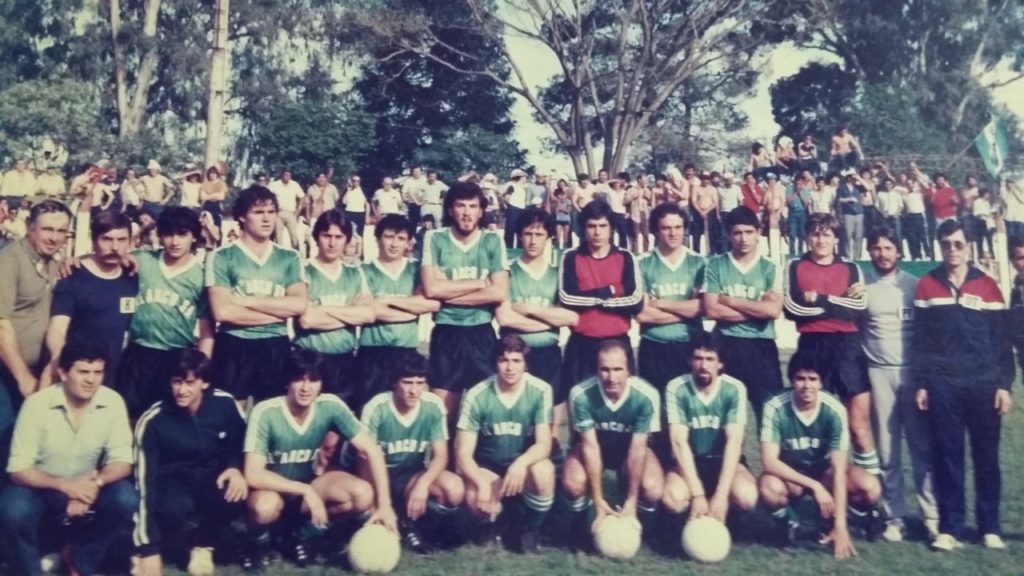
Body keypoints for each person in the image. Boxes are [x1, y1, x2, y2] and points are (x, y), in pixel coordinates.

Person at [242, 349, 397, 570]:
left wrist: (385, 506)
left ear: (322, 383)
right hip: (274, 489)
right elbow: (253, 474)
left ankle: (303, 535)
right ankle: (260, 545)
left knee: (362, 494)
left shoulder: (330, 405)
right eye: (299, 379)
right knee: (263, 507)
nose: (306, 388)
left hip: (311, 485)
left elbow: (372, 450)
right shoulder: (266, 412)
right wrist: (305, 490)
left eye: (313, 380)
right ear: (287, 382)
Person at [913, 219, 1014, 551]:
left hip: (983, 382)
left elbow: (1002, 342)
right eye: (946, 244)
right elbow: (921, 342)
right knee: (947, 457)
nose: (952, 250)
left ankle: (989, 527)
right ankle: (950, 528)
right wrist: (923, 383)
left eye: (958, 244)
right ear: (939, 247)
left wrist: (1004, 385)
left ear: (968, 246)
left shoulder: (988, 286)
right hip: (943, 384)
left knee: (986, 457)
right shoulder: (927, 285)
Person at [0, 342, 138, 576]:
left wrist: (95, 484)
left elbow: (123, 461)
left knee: (125, 499)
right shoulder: (37, 405)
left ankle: (79, 561)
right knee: (13, 508)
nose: (91, 380)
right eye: (83, 372)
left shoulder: (113, 402)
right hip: (41, 487)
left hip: (87, 484)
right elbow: (18, 469)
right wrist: (66, 486)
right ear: (63, 373)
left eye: (97, 372)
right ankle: (29, 571)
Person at [132, 349, 247, 576]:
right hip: (172, 482)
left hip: (212, 478)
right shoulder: (153, 421)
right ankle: (158, 544)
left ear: (204, 383)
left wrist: (235, 468)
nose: (182, 390)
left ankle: (203, 544)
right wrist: (148, 549)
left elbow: (241, 443)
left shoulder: (225, 404)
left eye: (190, 383)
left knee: (233, 491)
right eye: (177, 382)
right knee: (174, 508)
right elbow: (145, 485)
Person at [782, 213, 879, 479]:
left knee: (859, 427)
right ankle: (817, 490)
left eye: (826, 234)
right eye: (815, 234)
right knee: (814, 427)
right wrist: (839, 303)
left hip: (848, 347)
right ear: (807, 237)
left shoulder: (850, 267)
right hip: (811, 346)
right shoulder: (794, 266)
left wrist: (820, 299)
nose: (821, 240)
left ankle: (872, 493)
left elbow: (859, 307)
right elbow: (792, 309)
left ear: (836, 238)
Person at [758, 351, 881, 559]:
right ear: (791, 381)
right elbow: (769, 461)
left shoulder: (834, 409)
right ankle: (788, 522)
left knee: (870, 488)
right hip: (793, 475)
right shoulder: (775, 406)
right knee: (768, 487)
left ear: (821, 382)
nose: (807, 385)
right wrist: (814, 486)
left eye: (813, 379)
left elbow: (839, 471)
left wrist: (841, 527)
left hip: (825, 473)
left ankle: (850, 517)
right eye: (800, 378)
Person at [862, 227, 938, 542]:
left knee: (922, 449)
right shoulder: (862, 287)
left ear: (898, 251)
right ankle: (895, 517)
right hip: (878, 374)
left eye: (888, 248)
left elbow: (929, 335)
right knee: (887, 451)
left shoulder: (915, 286)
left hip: (911, 375)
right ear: (870, 252)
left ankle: (932, 516)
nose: (883, 254)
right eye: (877, 248)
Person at [206, 186, 307, 406]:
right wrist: (280, 312)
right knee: (231, 414)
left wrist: (244, 301)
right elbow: (223, 312)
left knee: (271, 413)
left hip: (275, 344)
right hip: (234, 343)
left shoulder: (289, 257)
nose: (267, 219)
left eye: (271, 212)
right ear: (242, 216)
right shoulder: (222, 256)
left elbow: (299, 305)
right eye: (258, 212)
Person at [354, 351, 463, 553]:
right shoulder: (377, 407)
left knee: (453, 488)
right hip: (375, 476)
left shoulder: (433, 405)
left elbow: (441, 456)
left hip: (409, 476)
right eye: (407, 382)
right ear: (394, 383)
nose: (414, 390)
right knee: (364, 501)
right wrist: (379, 501)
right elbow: (364, 460)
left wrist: (423, 484)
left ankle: (415, 525)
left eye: (419, 383)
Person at [456, 335, 555, 553]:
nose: (510, 368)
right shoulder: (478, 394)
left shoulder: (540, 390)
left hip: (522, 467)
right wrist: (481, 484)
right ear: (495, 363)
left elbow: (544, 444)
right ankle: (495, 524)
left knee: (543, 471)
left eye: (516, 361)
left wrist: (521, 463)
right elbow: (462, 454)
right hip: (489, 467)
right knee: (475, 497)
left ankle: (530, 529)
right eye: (504, 360)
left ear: (526, 364)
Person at [561, 340, 663, 545]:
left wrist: (632, 500)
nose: (611, 377)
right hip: (596, 448)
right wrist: (598, 499)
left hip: (629, 451)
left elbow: (638, 449)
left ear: (629, 370)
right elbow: (590, 447)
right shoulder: (581, 394)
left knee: (652, 487)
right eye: (605, 369)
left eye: (618, 369)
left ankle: (642, 524)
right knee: (573, 482)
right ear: (596, 369)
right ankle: (581, 525)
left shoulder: (646, 395)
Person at [421, 181, 509, 417]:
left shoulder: (492, 240)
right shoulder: (435, 238)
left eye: (473, 206)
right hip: (446, 333)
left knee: (485, 415)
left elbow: (499, 292)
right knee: (443, 417)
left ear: (481, 211)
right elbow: (431, 289)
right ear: (450, 210)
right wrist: (480, 283)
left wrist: (446, 292)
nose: (467, 212)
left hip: (481, 333)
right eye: (461, 205)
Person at [116, 207, 213, 418]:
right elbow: (106, 259)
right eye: (168, 234)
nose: (175, 242)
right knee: (128, 415)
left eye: (182, 234)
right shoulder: (142, 260)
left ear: (194, 236)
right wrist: (75, 260)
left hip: (176, 355)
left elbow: (206, 330)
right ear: (159, 235)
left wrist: (200, 368)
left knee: (169, 419)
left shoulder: (201, 276)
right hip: (138, 352)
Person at [661, 336, 758, 529]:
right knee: (673, 498)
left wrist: (721, 494)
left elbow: (734, 442)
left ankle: (731, 518)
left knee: (747, 496)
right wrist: (698, 495)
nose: (703, 365)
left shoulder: (734, 388)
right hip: (691, 461)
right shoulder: (677, 387)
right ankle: (681, 522)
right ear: (689, 360)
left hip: (723, 460)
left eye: (710, 359)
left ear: (720, 363)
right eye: (698, 358)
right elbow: (679, 442)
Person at [495, 208, 578, 434]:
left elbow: (570, 317)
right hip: (514, 355)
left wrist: (529, 309)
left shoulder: (558, 274)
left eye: (539, 234)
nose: (533, 240)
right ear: (520, 236)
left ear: (549, 237)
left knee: (551, 426)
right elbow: (505, 318)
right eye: (528, 234)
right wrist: (550, 321)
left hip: (548, 355)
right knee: (514, 425)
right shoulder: (507, 272)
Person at [0, 201, 72, 444]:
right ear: (30, 227)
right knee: (6, 439)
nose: (54, 237)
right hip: (8, 374)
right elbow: (1, 325)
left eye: (61, 231)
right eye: (47, 229)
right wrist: (23, 378)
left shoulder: (53, 261)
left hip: (40, 371)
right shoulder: (8, 261)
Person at [703, 206, 783, 424]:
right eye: (737, 233)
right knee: (722, 416)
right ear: (729, 234)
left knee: (769, 415)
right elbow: (711, 310)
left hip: (761, 346)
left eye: (749, 232)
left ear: (759, 232)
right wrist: (758, 309)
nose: (743, 238)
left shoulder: (771, 267)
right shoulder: (716, 264)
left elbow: (773, 311)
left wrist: (731, 301)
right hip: (725, 344)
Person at [558, 200, 643, 401]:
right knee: (578, 404)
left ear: (611, 228)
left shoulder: (625, 257)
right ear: (583, 228)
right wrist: (611, 290)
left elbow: (635, 301)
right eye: (592, 226)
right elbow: (567, 298)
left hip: (617, 343)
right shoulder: (571, 257)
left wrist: (591, 299)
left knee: (620, 405)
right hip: (582, 345)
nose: (597, 232)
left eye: (602, 226)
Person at [43, 210, 138, 389]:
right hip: (77, 376)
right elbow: (57, 328)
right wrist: (58, 358)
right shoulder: (72, 275)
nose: (115, 247)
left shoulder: (132, 276)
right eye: (107, 239)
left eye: (121, 240)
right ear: (94, 240)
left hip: (113, 376)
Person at [293, 211, 374, 411]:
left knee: (338, 422)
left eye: (339, 237)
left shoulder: (355, 273)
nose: (332, 243)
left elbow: (367, 315)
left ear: (347, 240)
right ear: (316, 237)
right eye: (326, 236)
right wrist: (351, 312)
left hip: (344, 360)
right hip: (309, 359)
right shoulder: (302, 270)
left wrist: (321, 309)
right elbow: (307, 320)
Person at [359, 214, 439, 399]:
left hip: (407, 350)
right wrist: (412, 310)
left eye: (401, 238)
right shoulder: (363, 270)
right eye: (389, 237)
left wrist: (384, 300)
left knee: (405, 407)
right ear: (378, 239)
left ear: (409, 243)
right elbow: (368, 311)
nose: (394, 244)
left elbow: (432, 304)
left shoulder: (416, 269)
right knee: (370, 408)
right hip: (372, 352)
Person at [635, 203, 705, 392]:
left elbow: (702, 308)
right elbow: (642, 315)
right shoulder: (641, 263)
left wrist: (659, 303)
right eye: (666, 228)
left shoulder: (700, 263)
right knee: (655, 405)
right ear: (656, 231)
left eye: (678, 227)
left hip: (690, 345)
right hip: (653, 346)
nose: (673, 233)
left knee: (688, 404)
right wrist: (686, 309)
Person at [268, 169, 305, 251]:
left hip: (291, 213)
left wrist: (298, 210)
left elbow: (302, 197)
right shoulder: (275, 185)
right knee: (278, 236)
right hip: (279, 213)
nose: (287, 177)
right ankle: (279, 254)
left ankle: (297, 253)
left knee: (294, 236)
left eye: (289, 175)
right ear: (282, 175)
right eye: (285, 175)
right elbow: (267, 195)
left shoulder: (294, 185)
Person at [502, 169, 529, 248]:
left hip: (521, 210)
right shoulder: (512, 186)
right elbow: (507, 197)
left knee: (520, 230)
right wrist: (510, 205)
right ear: (520, 177)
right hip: (513, 210)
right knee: (510, 231)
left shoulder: (523, 188)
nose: (525, 179)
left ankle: (519, 248)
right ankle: (508, 248)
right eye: (524, 177)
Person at [198, 165, 228, 231]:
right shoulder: (205, 184)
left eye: (214, 173)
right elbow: (202, 197)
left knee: (217, 226)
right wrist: (216, 195)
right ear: (208, 174)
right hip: (207, 206)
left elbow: (221, 197)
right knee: (205, 225)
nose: (212, 175)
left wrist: (208, 196)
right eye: (211, 173)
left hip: (216, 206)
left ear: (217, 174)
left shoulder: (221, 184)